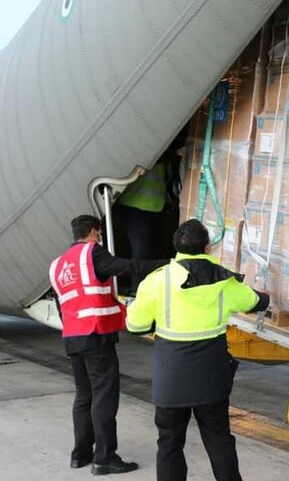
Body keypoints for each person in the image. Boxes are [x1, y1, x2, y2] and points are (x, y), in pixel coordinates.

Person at [125, 219, 270, 481]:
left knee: (169, 443)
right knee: (219, 439)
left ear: (176, 247)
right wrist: (266, 296)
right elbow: (255, 301)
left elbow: (135, 325)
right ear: (207, 247)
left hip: (171, 378)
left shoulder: (156, 281)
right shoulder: (224, 281)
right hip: (211, 376)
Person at [49, 215, 167, 475]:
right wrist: (166, 265)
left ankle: (80, 455)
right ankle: (104, 457)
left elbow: (62, 306)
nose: (100, 238)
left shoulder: (57, 265)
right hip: (96, 335)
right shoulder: (92, 253)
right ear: (94, 232)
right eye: (99, 234)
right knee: (104, 396)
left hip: (72, 337)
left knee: (84, 395)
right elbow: (127, 267)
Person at [115, 162, 168, 292]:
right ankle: (137, 290)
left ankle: (138, 288)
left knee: (145, 252)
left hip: (151, 205)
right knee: (141, 253)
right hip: (137, 203)